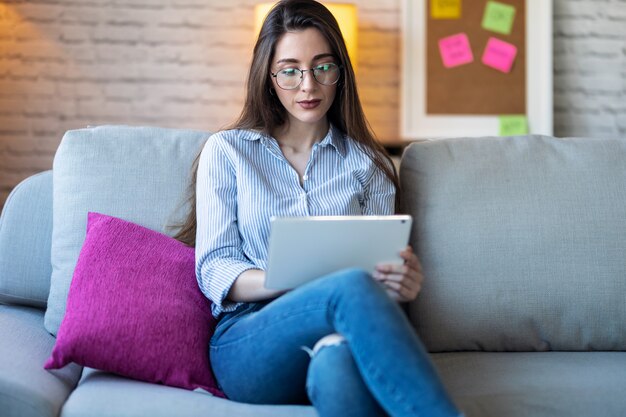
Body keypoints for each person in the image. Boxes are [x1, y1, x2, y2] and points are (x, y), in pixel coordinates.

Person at [173, 1, 462, 416]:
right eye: (290, 71)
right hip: (250, 340)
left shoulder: (368, 166)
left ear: (340, 72)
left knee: (339, 364)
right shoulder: (229, 152)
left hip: (338, 331)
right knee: (347, 285)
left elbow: (378, 286)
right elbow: (214, 267)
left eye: (322, 67)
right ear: (269, 78)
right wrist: (300, 278)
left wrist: (402, 287)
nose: (308, 85)